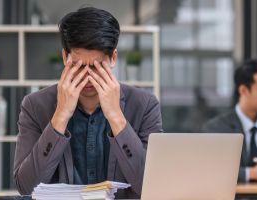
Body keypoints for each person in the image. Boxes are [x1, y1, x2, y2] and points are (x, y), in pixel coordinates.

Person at [13, 7, 163, 198]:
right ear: (64, 57)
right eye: (78, 66)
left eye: (96, 66)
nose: (88, 77)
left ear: (113, 58)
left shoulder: (144, 105)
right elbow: (26, 187)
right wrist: (60, 116)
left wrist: (116, 117)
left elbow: (152, 186)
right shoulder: (35, 105)